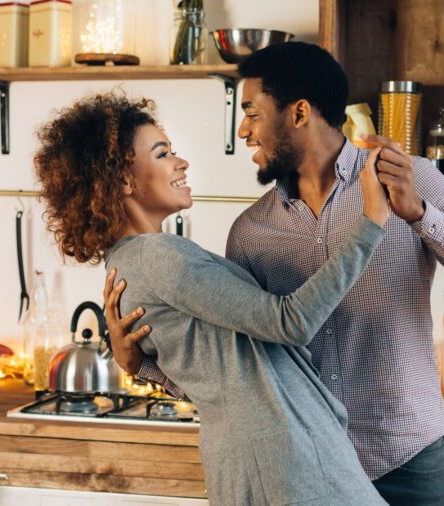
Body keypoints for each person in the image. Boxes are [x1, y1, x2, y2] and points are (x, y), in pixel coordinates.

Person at [107, 42, 444, 505]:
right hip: (309, 473)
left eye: (252, 112)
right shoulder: (250, 233)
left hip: (407, 457)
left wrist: (420, 213)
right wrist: (143, 366)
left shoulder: (409, 179)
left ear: (300, 112)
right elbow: (245, 377)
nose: (244, 131)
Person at [34, 92, 391, 505]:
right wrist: (371, 222)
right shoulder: (159, 256)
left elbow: (217, 378)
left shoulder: (130, 263)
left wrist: (140, 365)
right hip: (287, 461)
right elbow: (291, 322)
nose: (181, 162)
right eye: (163, 153)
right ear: (124, 180)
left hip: (262, 459)